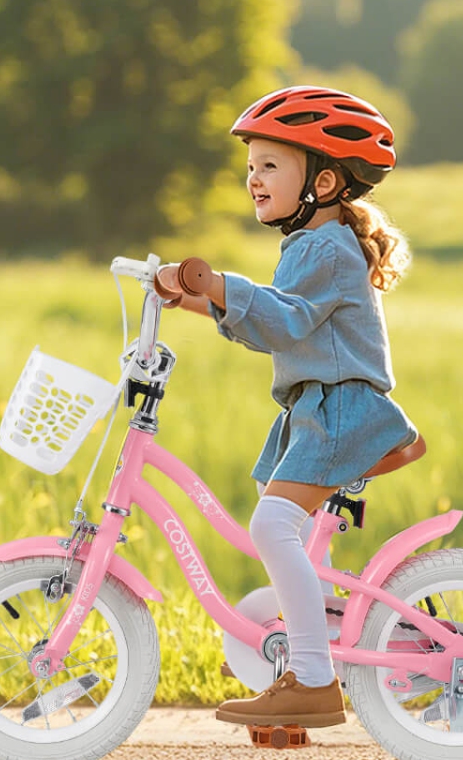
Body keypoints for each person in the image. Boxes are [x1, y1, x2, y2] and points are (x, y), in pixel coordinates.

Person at [157, 85, 415, 727]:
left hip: (338, 412)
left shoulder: (325, 247)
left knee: (272, 528)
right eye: (251, 166)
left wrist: (217, 285)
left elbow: (287, 319)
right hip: (317, 412)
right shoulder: (310, 244)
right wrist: (194, 298)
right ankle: (291, 651)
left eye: (270, 164)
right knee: (287, 533)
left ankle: (311, 678)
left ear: (323, 181)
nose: (253, 178)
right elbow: (276, 321)